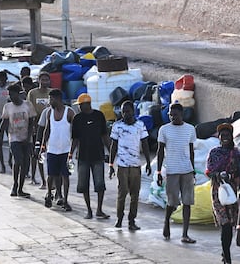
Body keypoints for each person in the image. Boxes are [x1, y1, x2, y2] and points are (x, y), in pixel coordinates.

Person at [157, 102, 197, 243]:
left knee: (187, 202)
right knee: (172, 202)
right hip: (172, 171)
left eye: (175, 114)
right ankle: (166, 221)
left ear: (182, 114)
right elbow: (160, 151)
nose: (173, 117)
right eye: (170, 114)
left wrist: (193, 170)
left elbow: (191, 150)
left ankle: (185, 234)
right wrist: (158, 171)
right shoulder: (164, 130)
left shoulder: (190, 129)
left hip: (187, 171)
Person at [109, 100, 151, 230]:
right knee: (122, 194)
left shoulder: (140, 125)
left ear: (133, 111)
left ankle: (131, 220)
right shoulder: (117, 126)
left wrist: (148, 162)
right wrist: (111, 164)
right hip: (122, 166)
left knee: (135, 195)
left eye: (128, 111)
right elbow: (113, 146)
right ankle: (119, 218)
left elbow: (145, 144)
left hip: (135, 165)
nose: (126, 114)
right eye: (123, 112)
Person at [69, 93, 111, 219]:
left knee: (99, 184)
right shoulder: (77, 119)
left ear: (88, 104)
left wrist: (111, 152)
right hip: (82, 156)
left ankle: (99, 209)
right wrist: (70, 154)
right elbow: (75, 139)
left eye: (81, 105)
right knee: (83, 184)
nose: (79, 107)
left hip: (98, 155)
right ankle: (89, 210)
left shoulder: (99, 116)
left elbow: (104, 135)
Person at [205, 123, 240, 264]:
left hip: (233, 193)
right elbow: (208, 171)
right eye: (222, 135)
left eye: (228, 135)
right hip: (218, 192)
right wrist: (218, 174)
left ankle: (224, 251)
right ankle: (227, 257)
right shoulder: (214, 152)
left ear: (232, 137)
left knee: (231, 224)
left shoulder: (237, 154)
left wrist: (232, 176)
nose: (225, 137)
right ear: (219, 137)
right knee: (224, 223)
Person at [0, 83, 36, 198]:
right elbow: (4, 123)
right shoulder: (8, 107)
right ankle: (15, 185)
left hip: (26, 138)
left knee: (25, 164)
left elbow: (32, 122)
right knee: (18, 161)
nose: (11, 97)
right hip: (14, 138)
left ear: (19, 94)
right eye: (10, 95)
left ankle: (20, 188)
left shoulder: (27, 105)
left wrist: (29, 137)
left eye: (13, 95)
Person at [41, 89, 75, 211]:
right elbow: (47, 130)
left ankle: (65, 200)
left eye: (51, 99)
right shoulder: (49, 113)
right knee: (51, 175)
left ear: (58, 99)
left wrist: (73, 149)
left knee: (65, 176)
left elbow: (75, 131)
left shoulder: (69, 112)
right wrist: (43, 146)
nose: (49, 101)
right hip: (52, 149)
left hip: (65, 150)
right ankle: (49, 194)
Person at [27, 72, 52, 188]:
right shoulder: (32, 93)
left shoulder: (51, 93)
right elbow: (29, 109)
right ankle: (40, 179)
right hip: (36, 125)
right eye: (43, 80)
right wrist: (31, 127)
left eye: (47, 80)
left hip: (50, 126)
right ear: (39, 80)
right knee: (37, 153)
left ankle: (50, 179)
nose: (45, 82)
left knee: (48, 153)